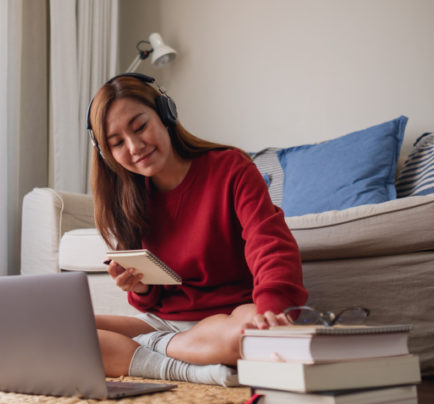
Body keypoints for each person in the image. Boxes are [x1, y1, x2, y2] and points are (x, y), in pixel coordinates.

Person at [87, 73, 308, 386]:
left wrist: (271, 313)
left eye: (140, 127)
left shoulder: (231, 167)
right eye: (118, 143)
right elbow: (151, 300)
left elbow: (269, 243)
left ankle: (149, 353)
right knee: (63, 328)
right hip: (163, 324)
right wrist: (142, 287)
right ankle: (191, 370)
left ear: (166, 115)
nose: (135, 147)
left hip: (229, 318)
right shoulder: (131, 196)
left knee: (249, 338)